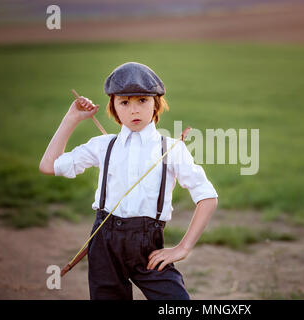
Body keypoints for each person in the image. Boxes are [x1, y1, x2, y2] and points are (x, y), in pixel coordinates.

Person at [39, 62, 218, 300]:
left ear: (156, 103)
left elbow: (207, 197)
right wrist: (71, 118)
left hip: (148, 246)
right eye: (124, 102)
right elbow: (48, 166)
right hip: (104, 243)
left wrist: (183, 248)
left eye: (142, 101)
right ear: (113, 106)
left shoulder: (171, 148)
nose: (134, 111)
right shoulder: (103, 146)